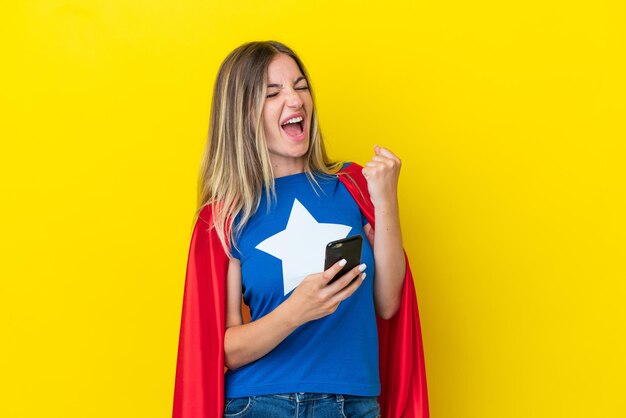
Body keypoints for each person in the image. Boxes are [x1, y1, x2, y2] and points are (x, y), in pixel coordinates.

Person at [173, 41, 429, 418]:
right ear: (243, 114)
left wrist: (387, 199)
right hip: (261, 405)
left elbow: (389, 302)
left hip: (354, 405)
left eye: (301, 86)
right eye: (272, 93)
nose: (295, 100)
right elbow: (225, 347)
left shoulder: (354, 188)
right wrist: (297, 310)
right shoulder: (226, 216)